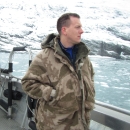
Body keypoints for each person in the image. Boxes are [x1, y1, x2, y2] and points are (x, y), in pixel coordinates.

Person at [21, 12, 95, 130]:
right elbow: (27, 83)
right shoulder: (44, 57)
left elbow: (90, 79)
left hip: (82, 125)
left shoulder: (84, 57)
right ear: (64, 30)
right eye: (77, 27)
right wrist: (52, 94)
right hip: (55, 125)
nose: (82, 31)